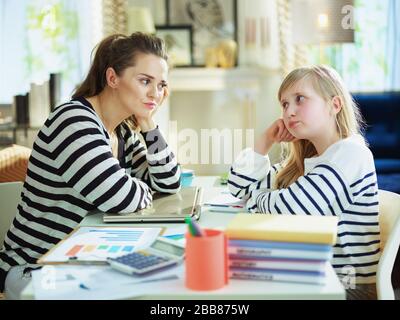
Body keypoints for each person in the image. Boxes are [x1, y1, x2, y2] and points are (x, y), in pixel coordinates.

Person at [0, 32, 181, 299]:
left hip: (80, 261)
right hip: (34, 267)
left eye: (161, 85)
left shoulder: (123, 132)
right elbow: (118, 197)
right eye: (145, 81)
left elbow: (168, 183)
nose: (155, 93)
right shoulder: (73, 120)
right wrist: (143, 189)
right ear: (112, 78)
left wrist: (148, 123)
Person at [228, 65, 380, 300]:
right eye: (285, 104)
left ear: (334, 105)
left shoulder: (351, 154)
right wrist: (264, 142)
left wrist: (256, 200)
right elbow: (239, 189)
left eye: (300, 99)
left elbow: (293, 209)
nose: (289, 112)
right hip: (311, 275)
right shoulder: (309, 161)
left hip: (346, 288)